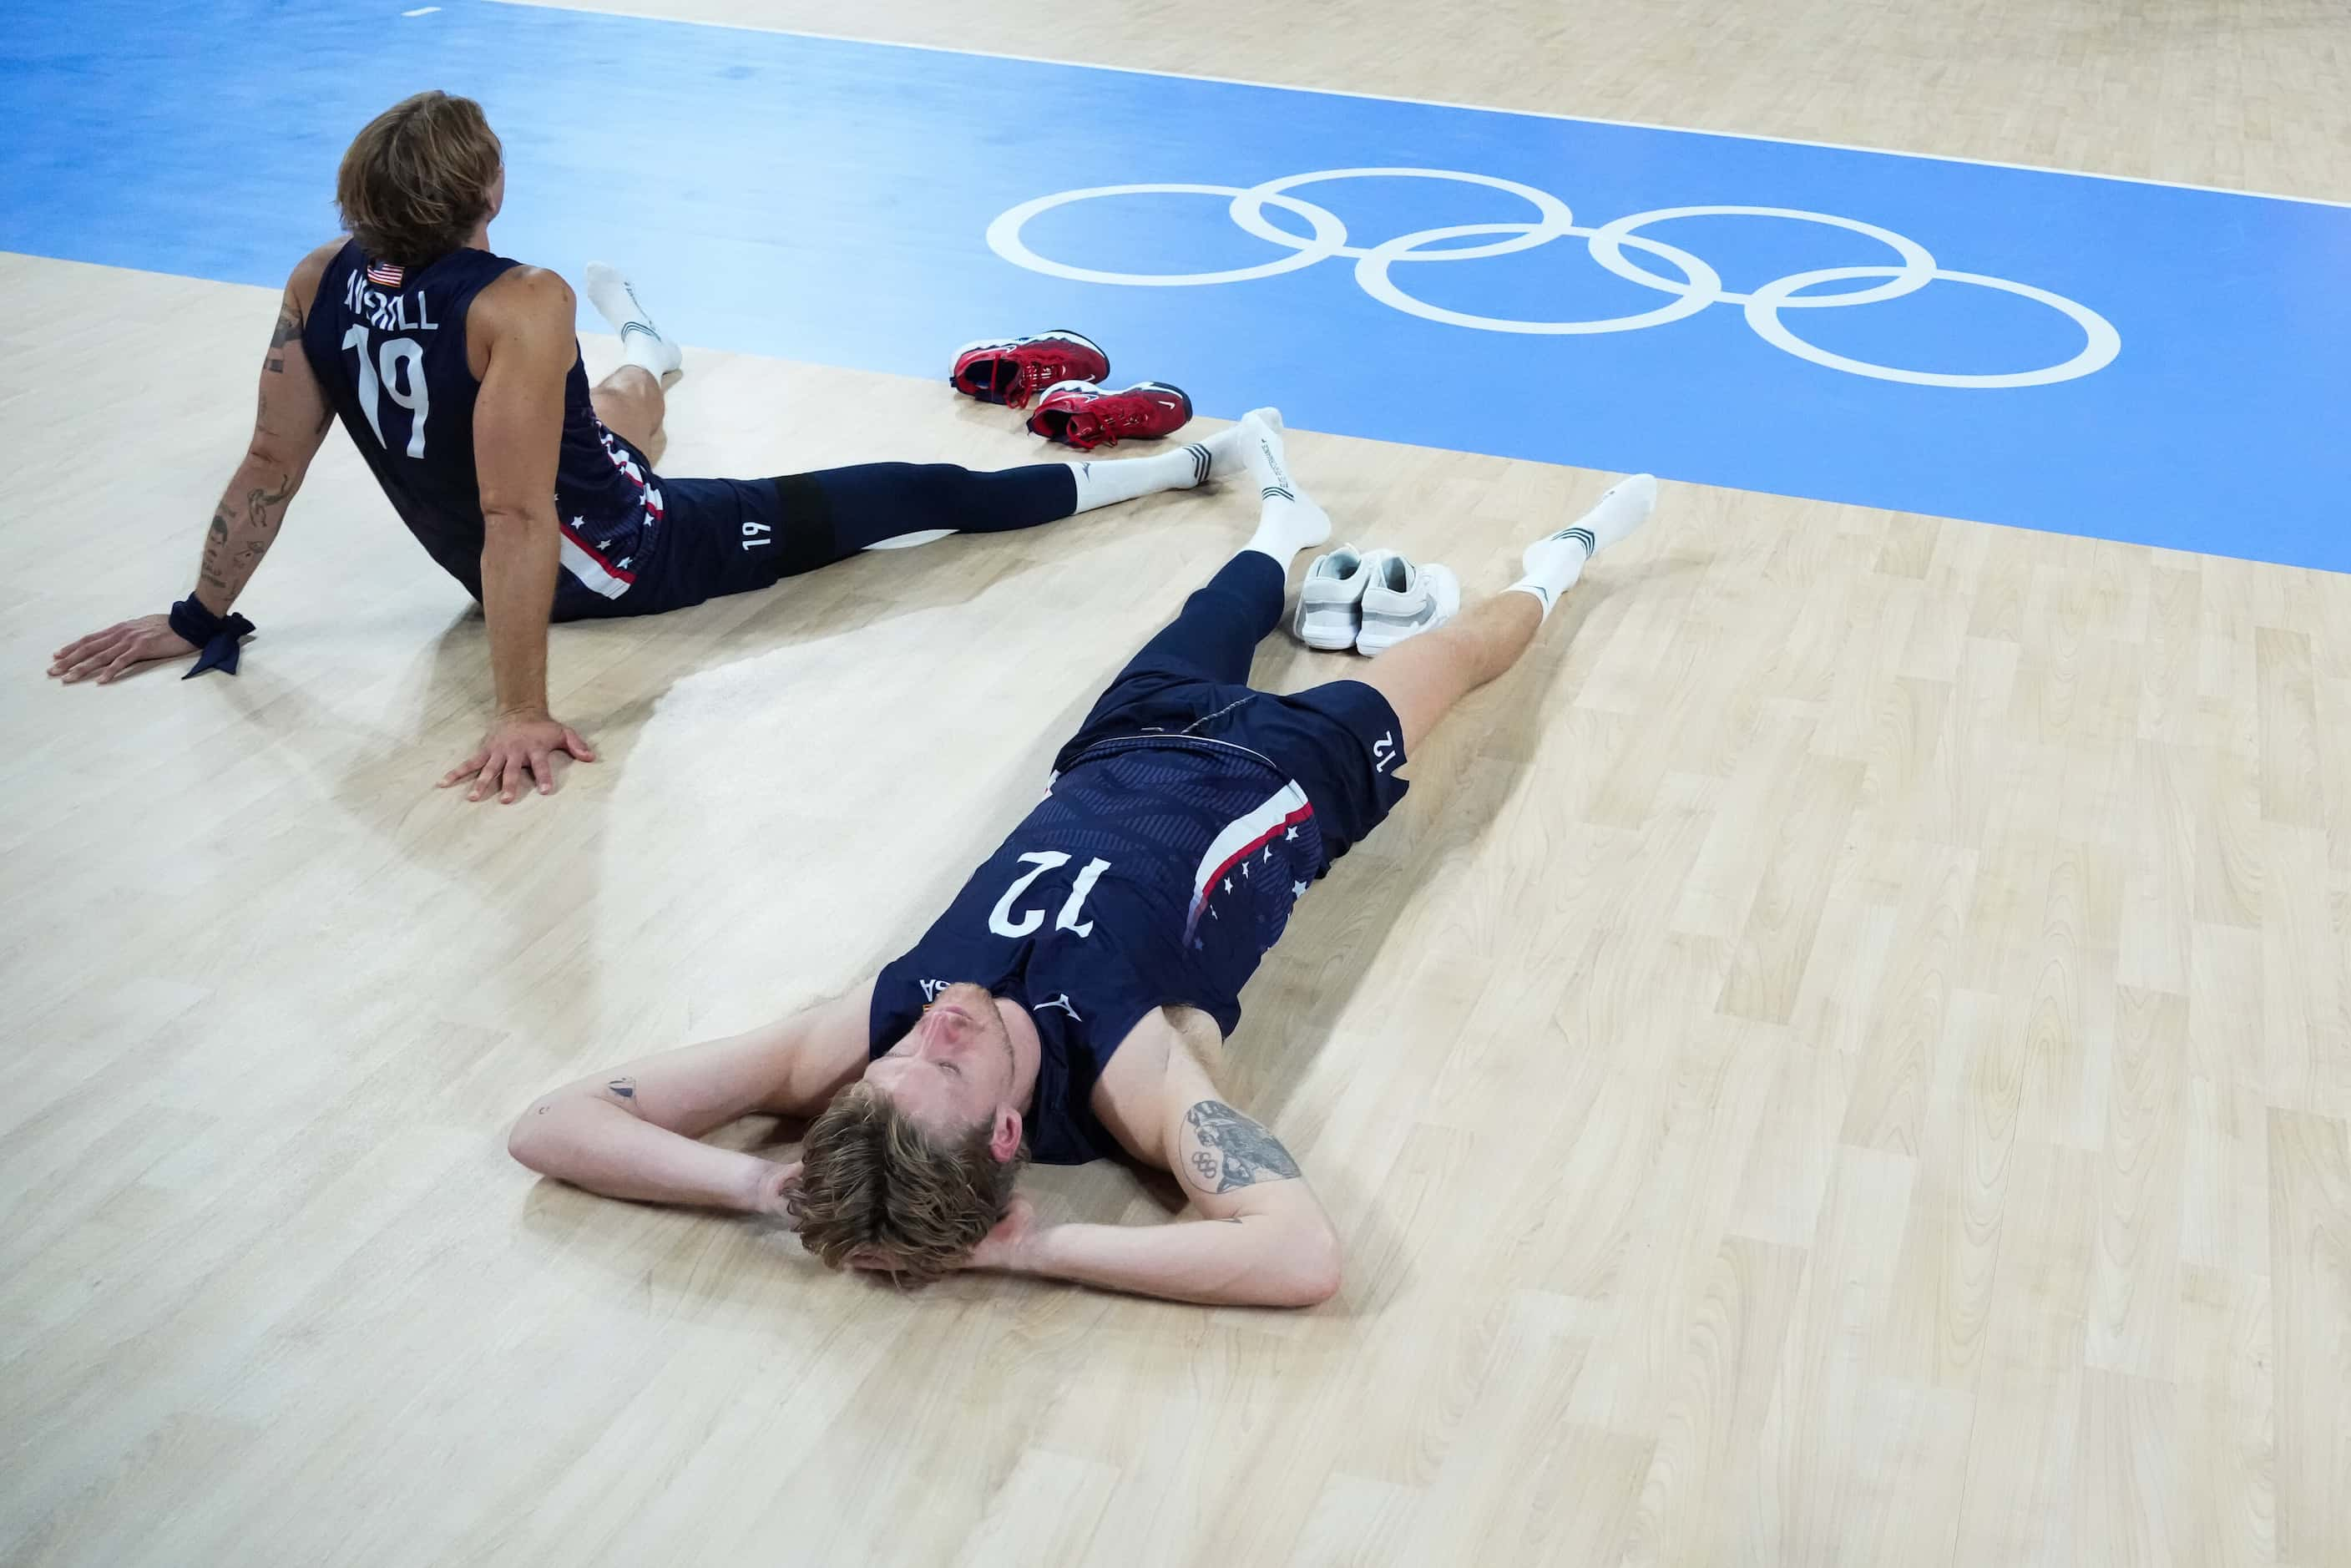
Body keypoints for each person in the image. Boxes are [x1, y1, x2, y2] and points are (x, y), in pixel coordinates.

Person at [508, 413, 1657, 1307]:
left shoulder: (861, 1037)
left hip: (1119, 741)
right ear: (1009, 1135)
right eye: (946, 1066)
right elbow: (1302, 1255)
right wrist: (1035, 1249)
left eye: (898, 1056)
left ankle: (1282, 525)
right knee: (1460, 655)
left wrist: (763, 1183)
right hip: (1292, 772)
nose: (935, 1025)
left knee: (1225, 603)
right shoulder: (1127, 1072)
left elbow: (552, 1123)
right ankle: (1566, 562)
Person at [44, 90, 1243, 805]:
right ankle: (1167, 466)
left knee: (614, 408)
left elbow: (271, 466)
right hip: (623, 554)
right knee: (918, 491)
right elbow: (524, 520)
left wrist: (200, 616)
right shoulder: (522, 299)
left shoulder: (319, 278)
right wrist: (520, 708)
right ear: (490, 195)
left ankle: (655, 350)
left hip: (509, 530)